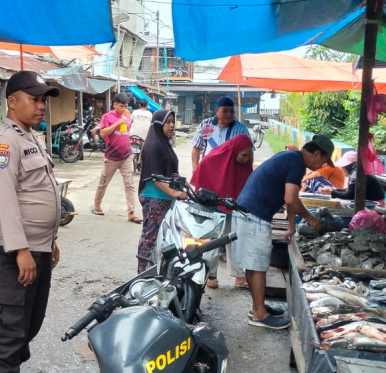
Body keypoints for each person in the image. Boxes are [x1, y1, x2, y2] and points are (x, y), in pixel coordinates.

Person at [0, 70, 62, 373]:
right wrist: (21, 250)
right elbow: (7, 200)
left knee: (28, 325)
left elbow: (40, 191)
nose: (41, 105)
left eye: (44, 99)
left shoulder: (31, 137)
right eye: (35, 98)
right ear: (12, 102)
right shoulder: (2, 142)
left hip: (37, 248)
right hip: (14, 253)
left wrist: (50, 239)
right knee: (9, 327)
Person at [234, 135, 334, 329]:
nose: (322, 165)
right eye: (323, 160)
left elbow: (289, 198)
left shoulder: (291, 158)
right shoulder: (297, 164)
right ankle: (259, 315)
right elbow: (291, 199)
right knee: (258, 266)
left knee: (253, 264)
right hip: (254, 214)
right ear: (316, 153)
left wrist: (291, 227)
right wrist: (311, 219)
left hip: (246, 211)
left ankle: (258, 307)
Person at [190, 133, 254, 289]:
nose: (247, 159)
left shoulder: (245, 162)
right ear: (234, 151)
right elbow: (202, 171)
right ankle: (211, 275)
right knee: (212, 241)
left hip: (232, 207)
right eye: (244, 155)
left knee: (234, 239)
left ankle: (239, 276)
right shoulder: (214, 158)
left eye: (249, 155)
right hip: (212, 206)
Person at [135, 110, 187, 273]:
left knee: (162, 236)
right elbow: (155, 178)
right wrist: (174, 193)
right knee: (149, 235)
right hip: (154, 197)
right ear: (158, 125)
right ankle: (141, 271)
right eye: (168, 122)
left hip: (163, 197)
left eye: (173, 121)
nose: (172, 125)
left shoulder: (164, 143)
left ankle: (156, 268)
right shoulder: (153, 146)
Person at [93, 92, 140, 222]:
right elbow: (103, 133)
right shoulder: (107, 117)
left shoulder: (127, 116)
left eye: (125, 106)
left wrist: (124, 120)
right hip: (112, 156)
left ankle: (131, 212)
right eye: (121, 106)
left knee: (129, 184)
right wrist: (118, 122)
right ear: (114, 104)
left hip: (126, 155)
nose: (123, 109)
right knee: (103, 182)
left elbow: (126, 133)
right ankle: (97, 205)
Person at [190, 96, 250, 171]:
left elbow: (248, 155)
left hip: (230, 174)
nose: (228, 114)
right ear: (217, 111)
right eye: (225, 111)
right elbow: (196, 148)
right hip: (207, 171)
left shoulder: (241, 130)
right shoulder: (206, 124)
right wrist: (195, 170)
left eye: (231, 111)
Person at [319, 152, 386, 203]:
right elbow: (351, 191)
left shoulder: (357, 173)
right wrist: (334, 190)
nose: (343, 168)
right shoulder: (358, 171)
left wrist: (332, 193)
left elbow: (350, 195)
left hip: (375, 204)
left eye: (345, 166)